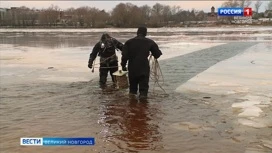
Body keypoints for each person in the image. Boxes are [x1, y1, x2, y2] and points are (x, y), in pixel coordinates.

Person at [121, 27, 162, 99]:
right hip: (144, 68)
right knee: (143, 91)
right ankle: (143, 107)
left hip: (132, 68)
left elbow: (124, 57)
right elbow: (157, 55)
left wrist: (123, 66)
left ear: (137, 32)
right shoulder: (150, 42)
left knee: (132, 91)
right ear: (145, 33)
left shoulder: (129, 42)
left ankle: (132, 107)